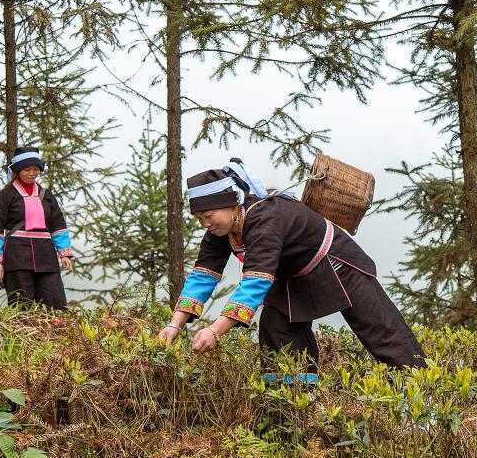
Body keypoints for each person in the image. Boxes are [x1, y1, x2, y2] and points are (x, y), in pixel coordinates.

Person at [158, 159, 426, 384]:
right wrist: (175, 324)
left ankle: (423, 399)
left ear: (232, 204)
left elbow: (255, 281)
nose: (206, 224)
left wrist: (216, 330)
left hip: (335, 263)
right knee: (278, 337)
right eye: (200, 219)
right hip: (289, 279)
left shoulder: (265, 218)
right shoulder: (220, 230)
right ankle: (294, 409)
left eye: (210, 215)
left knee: (381, 331)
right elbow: (203, 275)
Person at [0, 146, 73, 310]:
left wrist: (65, 254)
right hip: (17, 259)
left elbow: (58, 225)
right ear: (17, 171)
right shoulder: (4, 197)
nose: (32, 173)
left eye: (36, 169)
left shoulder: (47, 196)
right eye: (27, 169)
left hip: (46, 259)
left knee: (57, 306)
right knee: (22, 308)